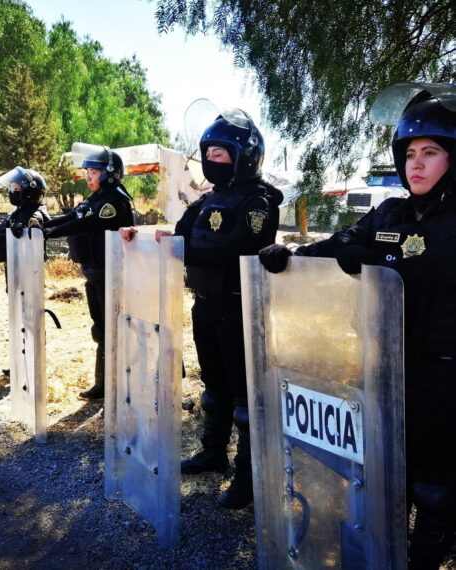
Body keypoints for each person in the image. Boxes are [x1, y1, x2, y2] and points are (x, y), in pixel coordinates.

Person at [260, 85, 456, 569]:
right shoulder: (390, 212)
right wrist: (292, 256)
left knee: (435, 484)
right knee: (387, 469)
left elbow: (433, 270)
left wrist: (369, 262)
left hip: (442, 375)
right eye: (410, 153)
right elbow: (344, 238)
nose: (417, 163)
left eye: (431, 152)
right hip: (385, 365)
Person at [122, 108, 283, 509]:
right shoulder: (210, 198)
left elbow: (239, 251)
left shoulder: (258, 200)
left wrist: (186, 250)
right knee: (214, 388)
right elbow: (177, 233)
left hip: (239, 308)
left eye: (220, 153)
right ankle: (213, 454)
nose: (211, 159)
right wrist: (140, 236)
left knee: (245, 396)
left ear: (244, 156)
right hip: (205, 306)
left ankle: (248, 480)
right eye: (207, 152)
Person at [43, 147, 134, 400]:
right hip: (94, 273)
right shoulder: (94, 200)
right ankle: (103, 385)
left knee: (113, 330)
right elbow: (73, 215)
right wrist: (43, 224)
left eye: (93, 171)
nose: (88, 176)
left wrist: (49, 234)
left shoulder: (115, 201)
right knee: (101, 329)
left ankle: (118, 387)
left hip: (112, 275)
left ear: (110, 174)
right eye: (87, 171)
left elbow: (84, 223)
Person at [0, 166, 50, 269]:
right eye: (10, 188)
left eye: (15, 188)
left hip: (29, 269)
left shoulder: (37, 213)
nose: (11, 191)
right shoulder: (15, 213)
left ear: (29, 191)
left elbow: (34, 229)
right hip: (13, 266)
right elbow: (0, 232)